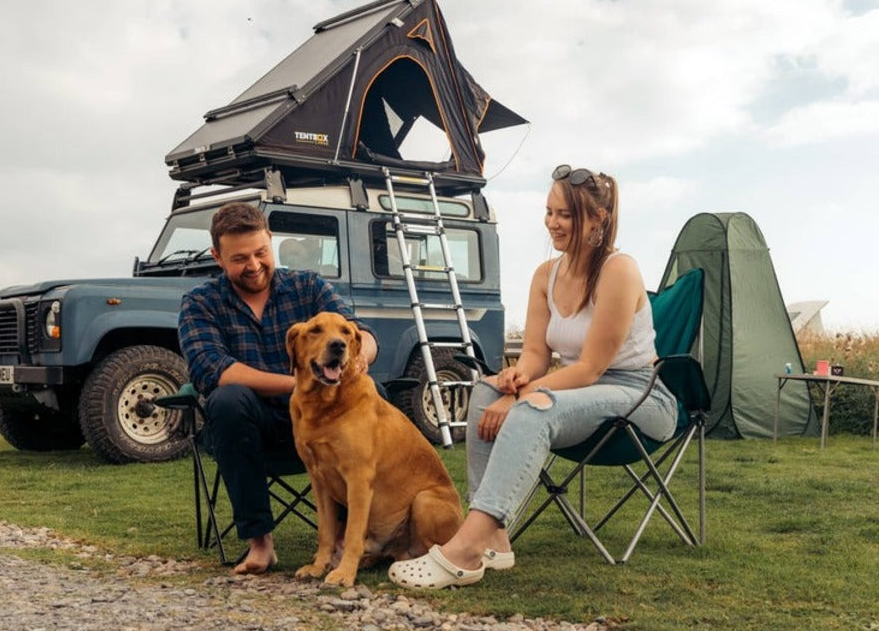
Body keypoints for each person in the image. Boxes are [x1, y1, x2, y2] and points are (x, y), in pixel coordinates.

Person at [388, 164, 679, 589]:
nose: (552, 223)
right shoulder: (546, 275)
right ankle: (496, 540)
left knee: (534, 409)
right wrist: (514, 378)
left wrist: (523, 396)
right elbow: (537, 354)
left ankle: (465, 550)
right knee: (486, 391)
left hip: (640, 397)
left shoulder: (619, 270)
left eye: (565, 215)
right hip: (584, 394)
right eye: (549, 212)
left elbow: (590, 368)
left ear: (596, 220)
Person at [178, 202, 379, 575]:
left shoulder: (309, 287)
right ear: (217, 257)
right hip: (253, 432)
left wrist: (359, 355)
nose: (254, 265)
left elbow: (360, 332)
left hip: (324, 429)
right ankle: (260, 544)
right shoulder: (200, 303)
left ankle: (346, 542)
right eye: (239, 258)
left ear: (270, 242)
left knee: (364, 395)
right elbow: (211, 369)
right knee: (225, 400)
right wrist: (303, 385)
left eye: (261, 252)